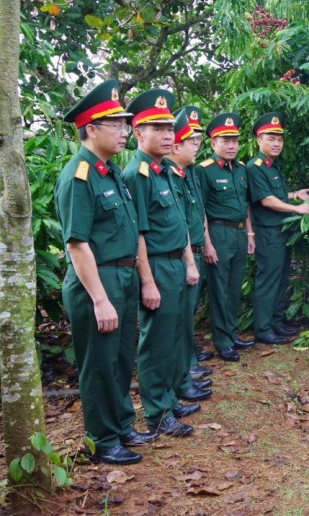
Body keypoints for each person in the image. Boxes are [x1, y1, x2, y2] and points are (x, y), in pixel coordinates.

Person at [56, 79, 155, 465]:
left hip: (124, 276)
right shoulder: (78, 175)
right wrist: (99, 299)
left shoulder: (108, 171)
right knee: (98, 364)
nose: (124, 130)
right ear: (91, 129)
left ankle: (121, 424)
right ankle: (101, 438)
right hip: (97, 281)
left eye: (124, 123)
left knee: (119, 359)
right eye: (116, 123)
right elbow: (77, 244)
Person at [123, 89, 200, 438]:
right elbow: (137, 233)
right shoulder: (136, 174)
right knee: (155, 343)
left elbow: (180, 223)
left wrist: (188, 262)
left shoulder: (164, 171)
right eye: (159, 128)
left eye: (170, 128)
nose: (169, 135)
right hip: (154, 266)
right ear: (139, 133)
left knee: (171, 338)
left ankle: (168, 398)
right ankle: (156, 413)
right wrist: (148, 281)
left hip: (175, 264)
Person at [246, 112, 309, 343]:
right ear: (259, 140)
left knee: (281, 278)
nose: (276, 143)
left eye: (279, 139)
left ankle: (276, 322)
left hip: (281, 231)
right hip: (267, 232)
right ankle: (263, 329)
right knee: (269, 280)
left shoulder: (272, 166)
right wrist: (297, 209)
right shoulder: (255, 167)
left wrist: (295, 195)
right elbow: (266, 200)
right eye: (270, 138)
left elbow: (276, 194)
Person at [165, 109, 213, 418]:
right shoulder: (165, 174)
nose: (197, 145)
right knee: (172, 327)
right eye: (191, 140)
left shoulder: (187, 173)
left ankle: (184, 376)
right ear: (175, 146)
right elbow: (177, 222)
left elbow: (197, 216)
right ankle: (177, 382)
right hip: (174, 258)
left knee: (184, 320)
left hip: (192, 251)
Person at [198, 112, 256, 361]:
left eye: (234, 140)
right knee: (219, 289)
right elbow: (199, 210)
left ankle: (231, 334)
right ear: (213, 143)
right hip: (217, 233)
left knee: (234, 288)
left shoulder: (241, 169)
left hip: (239, 232)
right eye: (225, 140)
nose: (231, 145)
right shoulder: (205, 171)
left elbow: (245, 203)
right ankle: (222, 341)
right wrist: (207, 244)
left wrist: (250, 232)